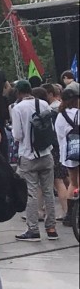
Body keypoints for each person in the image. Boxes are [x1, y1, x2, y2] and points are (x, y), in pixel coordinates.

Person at [11, 80, 59, 241]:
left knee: (31, 193)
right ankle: (51, 228)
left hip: (28, 155)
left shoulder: (18, 108)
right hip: (46, 153)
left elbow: (17, 135)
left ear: (18, 92)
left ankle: (33, 229)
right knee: (48, 192)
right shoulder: (44, 104)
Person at [55, 83, 80, 226]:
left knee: (73, 183)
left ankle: (70, 215)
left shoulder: (60, 116)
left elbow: (59, 136)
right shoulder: (78, 113)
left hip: (68, 152)